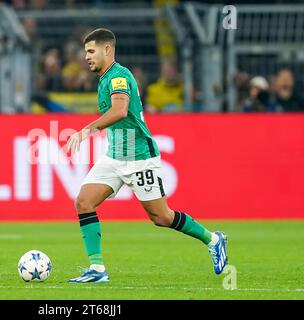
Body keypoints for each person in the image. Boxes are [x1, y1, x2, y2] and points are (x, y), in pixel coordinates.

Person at [66, 28, 228, 283]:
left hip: (139, 157)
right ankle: (97, 269)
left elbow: (120, 110)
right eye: (85, 51)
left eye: (90, 51)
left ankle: (213, 239)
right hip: (115, 155)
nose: (86, 56)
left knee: (161, 217)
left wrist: (87, 130)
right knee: (84, 202)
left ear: (107, 49)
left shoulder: (119, 77)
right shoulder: (104, 78)